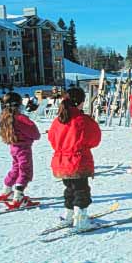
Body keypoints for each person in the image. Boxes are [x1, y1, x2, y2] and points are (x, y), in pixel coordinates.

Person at [48, 87, 101, 230]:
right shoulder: (82, 120)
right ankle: (81, 219)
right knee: (81, 190)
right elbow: (95, 140)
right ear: (81, 102)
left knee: (70, 189)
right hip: (78, 161)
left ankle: (68, 215)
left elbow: (52, 139)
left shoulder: (58, 120)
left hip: (61, 162)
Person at [0, 92, 41, 208]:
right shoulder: (21, 118)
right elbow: (35, 134)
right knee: (25, 170)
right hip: (23, 148)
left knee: (16, 168)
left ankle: (7, 190)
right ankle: (19, 196)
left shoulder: (4, 117)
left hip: (13, 147)